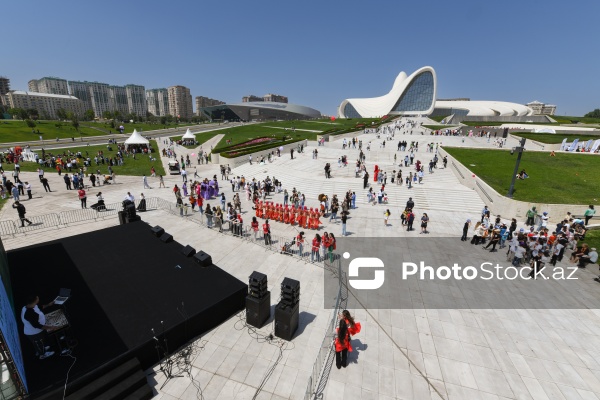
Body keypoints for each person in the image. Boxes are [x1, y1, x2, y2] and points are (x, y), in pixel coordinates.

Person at [21, 295, 58, 359]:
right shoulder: (30, 313)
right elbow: (37, 326)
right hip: (33, 332)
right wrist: (51, 327)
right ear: (35, 301)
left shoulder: (29, 306)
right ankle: (42, 354)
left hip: (36, 331)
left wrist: (49, 305)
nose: (38, 298)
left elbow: (40, 307)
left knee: (39, 342)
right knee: (38, 342)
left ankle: (40, 349)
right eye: (37, 298)